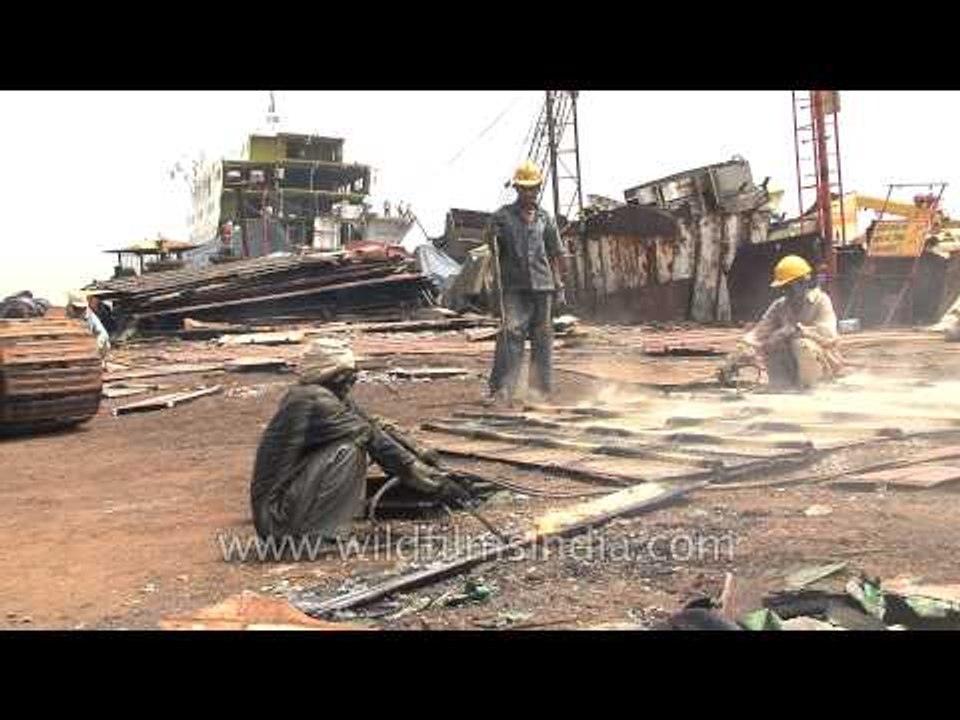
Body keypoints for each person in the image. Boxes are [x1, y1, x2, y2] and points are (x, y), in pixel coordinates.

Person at [250, 342, 448, 543]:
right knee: (350, 449)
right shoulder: (313, 399)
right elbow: (370, 435)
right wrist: (414, 470)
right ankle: (319, 536)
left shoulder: (333, 396)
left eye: (353, 376)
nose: (350, 382)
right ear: (328, 374)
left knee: (360, 441)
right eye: (346, 376)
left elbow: (374, 424)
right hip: (276, 519)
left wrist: (421, 452)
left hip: (287, 504)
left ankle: (321, 525)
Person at [487, 160, 566, 405]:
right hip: (514, 287)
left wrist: (559, 285)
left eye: (532, 188)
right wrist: (492, 235)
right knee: (511, 333)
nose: (528, 193)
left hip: (543, 286)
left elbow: (555, 253)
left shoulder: (545, 218)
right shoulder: (503, 216)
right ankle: (502, 389)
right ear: (517, 189)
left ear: (538, 188)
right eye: (523, 188)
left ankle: (539, 391)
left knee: (542, 337)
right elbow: (492, 248)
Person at [718, 255, 842, 390]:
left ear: (803, 283)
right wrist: (738, 354)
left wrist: (795, 330)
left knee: (801, 344)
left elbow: (828, 335)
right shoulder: (780, 306)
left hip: (822, 365)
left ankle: (810, 389)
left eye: (789, 287)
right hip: (791, 366)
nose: (785, 292)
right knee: (773, 343)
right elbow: (759, 333)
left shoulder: (821, 301)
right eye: (782, 288)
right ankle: (782, 386)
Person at [66, 290, 110, 357]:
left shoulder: (90, 315)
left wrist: (96, 345)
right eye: (77, 308)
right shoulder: (65, 314)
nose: (80, 311)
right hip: (71, 344)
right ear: (71, 306)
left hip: (88, 344)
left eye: (83, 308)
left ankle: (100, 360)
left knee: (105, 343)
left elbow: (103, 333)